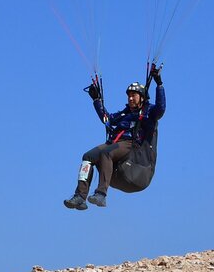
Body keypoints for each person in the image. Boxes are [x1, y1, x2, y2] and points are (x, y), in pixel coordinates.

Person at [64, 62, 166, 210]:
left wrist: (159, 84)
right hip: (115, 143)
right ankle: (80, 196)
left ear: (142, 97)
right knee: (88, 156)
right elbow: (107, 119)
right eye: (129, 96)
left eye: (134, 95)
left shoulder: (148, 112)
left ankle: (101, 195)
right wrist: (96, 101)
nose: (130, 98)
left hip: (131, 145)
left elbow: (161, 109)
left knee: (106, 153)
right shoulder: (124, 114)